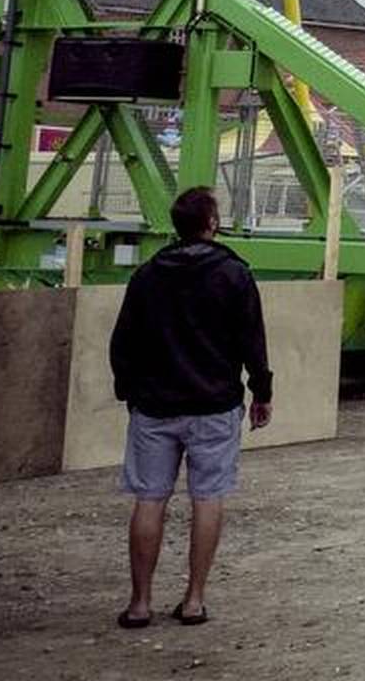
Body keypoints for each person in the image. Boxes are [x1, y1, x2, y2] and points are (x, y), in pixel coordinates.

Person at [108, 186, 273, 630]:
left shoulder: (147, 275)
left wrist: (129, 391)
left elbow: (123, 342)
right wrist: (261, 391)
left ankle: (140, 603)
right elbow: (251, 341)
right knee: (208, 498)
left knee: (149, 498)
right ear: (212, 224)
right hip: (215, 404)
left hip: (155, 406)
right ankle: (195, 599)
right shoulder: (234, 274)